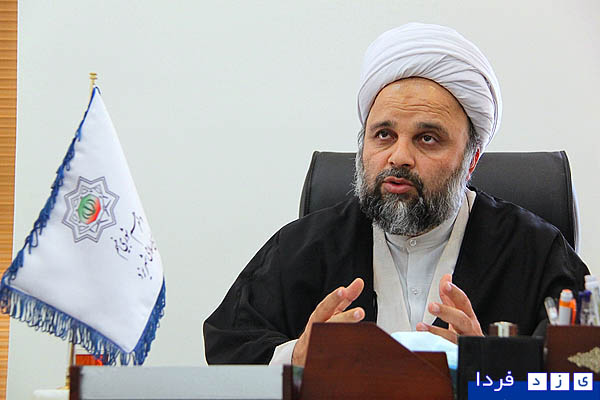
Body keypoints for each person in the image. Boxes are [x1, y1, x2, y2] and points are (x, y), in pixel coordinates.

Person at [203, 23, 588, 367]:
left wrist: (496, 368)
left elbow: (588, 368)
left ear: (471, 160)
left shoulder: (534, 252)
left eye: (427, 138)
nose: (399, 156)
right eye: (384, 135)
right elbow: (228, 346)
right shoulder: (304, 246)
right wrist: (296, 359)